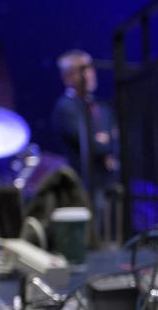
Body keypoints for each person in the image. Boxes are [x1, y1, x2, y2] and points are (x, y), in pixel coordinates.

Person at [50, 49, 118, 215]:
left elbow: (117, 139)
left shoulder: (102, 106)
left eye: (90, 69)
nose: (88, 75)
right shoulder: (67, 108)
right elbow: (90, 145)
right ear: (67, 77)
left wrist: (106, 141)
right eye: (82, 70)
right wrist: (104, 142)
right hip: (84, 185)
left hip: (108, 181)